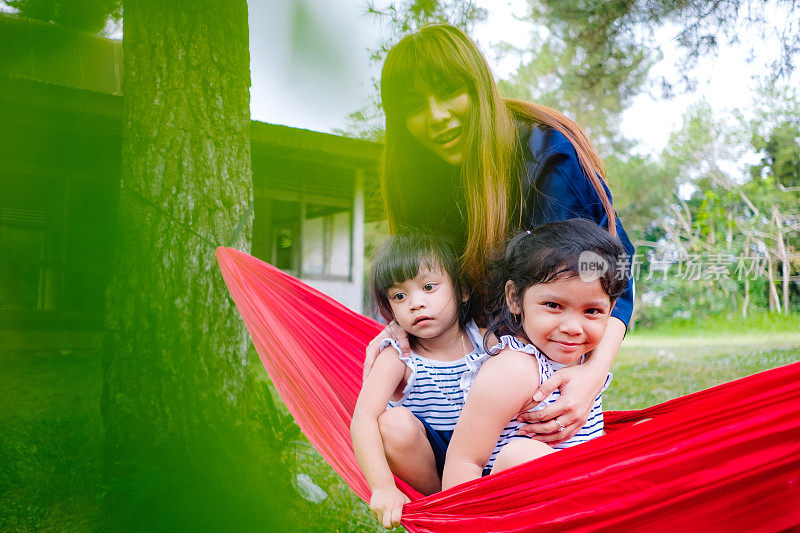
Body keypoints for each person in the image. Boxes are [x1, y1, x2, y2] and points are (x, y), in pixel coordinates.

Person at [364, 23, 635, 444]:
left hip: (537, 370)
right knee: (392, 431)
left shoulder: (547, 156)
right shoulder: (416, 177)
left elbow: (610, 274)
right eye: (415, 105)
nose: (437, 116)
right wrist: (397, 333)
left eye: (449, 91)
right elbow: (422, 279)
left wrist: (590, 377)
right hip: (469, 372)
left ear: (479, 86)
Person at [442, 219, 628, 489]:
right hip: (518, 509)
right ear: (515, 298)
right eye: (553, 305)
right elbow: (464, 461)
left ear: (610, 310)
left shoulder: (588, 359)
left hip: (577, 495)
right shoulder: (515, 368)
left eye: (592, 311)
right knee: (520, 456)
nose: (573, 328)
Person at [350, 232, 485, 529]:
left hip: (486, 454)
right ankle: (445, 507)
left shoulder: (486, 339)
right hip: (429, 458)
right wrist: (383, 487)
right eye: (400, 296)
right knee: (392, 423)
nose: (415, 303)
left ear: (461, 289)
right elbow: (363, 419)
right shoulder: (399, 356)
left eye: (428, 287)